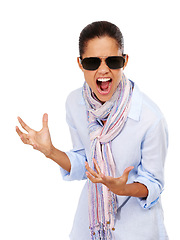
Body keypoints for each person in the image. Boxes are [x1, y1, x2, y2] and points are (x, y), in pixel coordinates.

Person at [16, 21, 169, 240]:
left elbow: (154, 184)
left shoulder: (150, 118)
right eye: (92, 62)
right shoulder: (75, 103)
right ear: (80, 63)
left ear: (124, 61)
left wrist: (121, 188)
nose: (104, 69)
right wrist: (49, 151)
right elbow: (84, 164)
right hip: (90, 227)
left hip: (137, 230)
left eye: (113, 61)